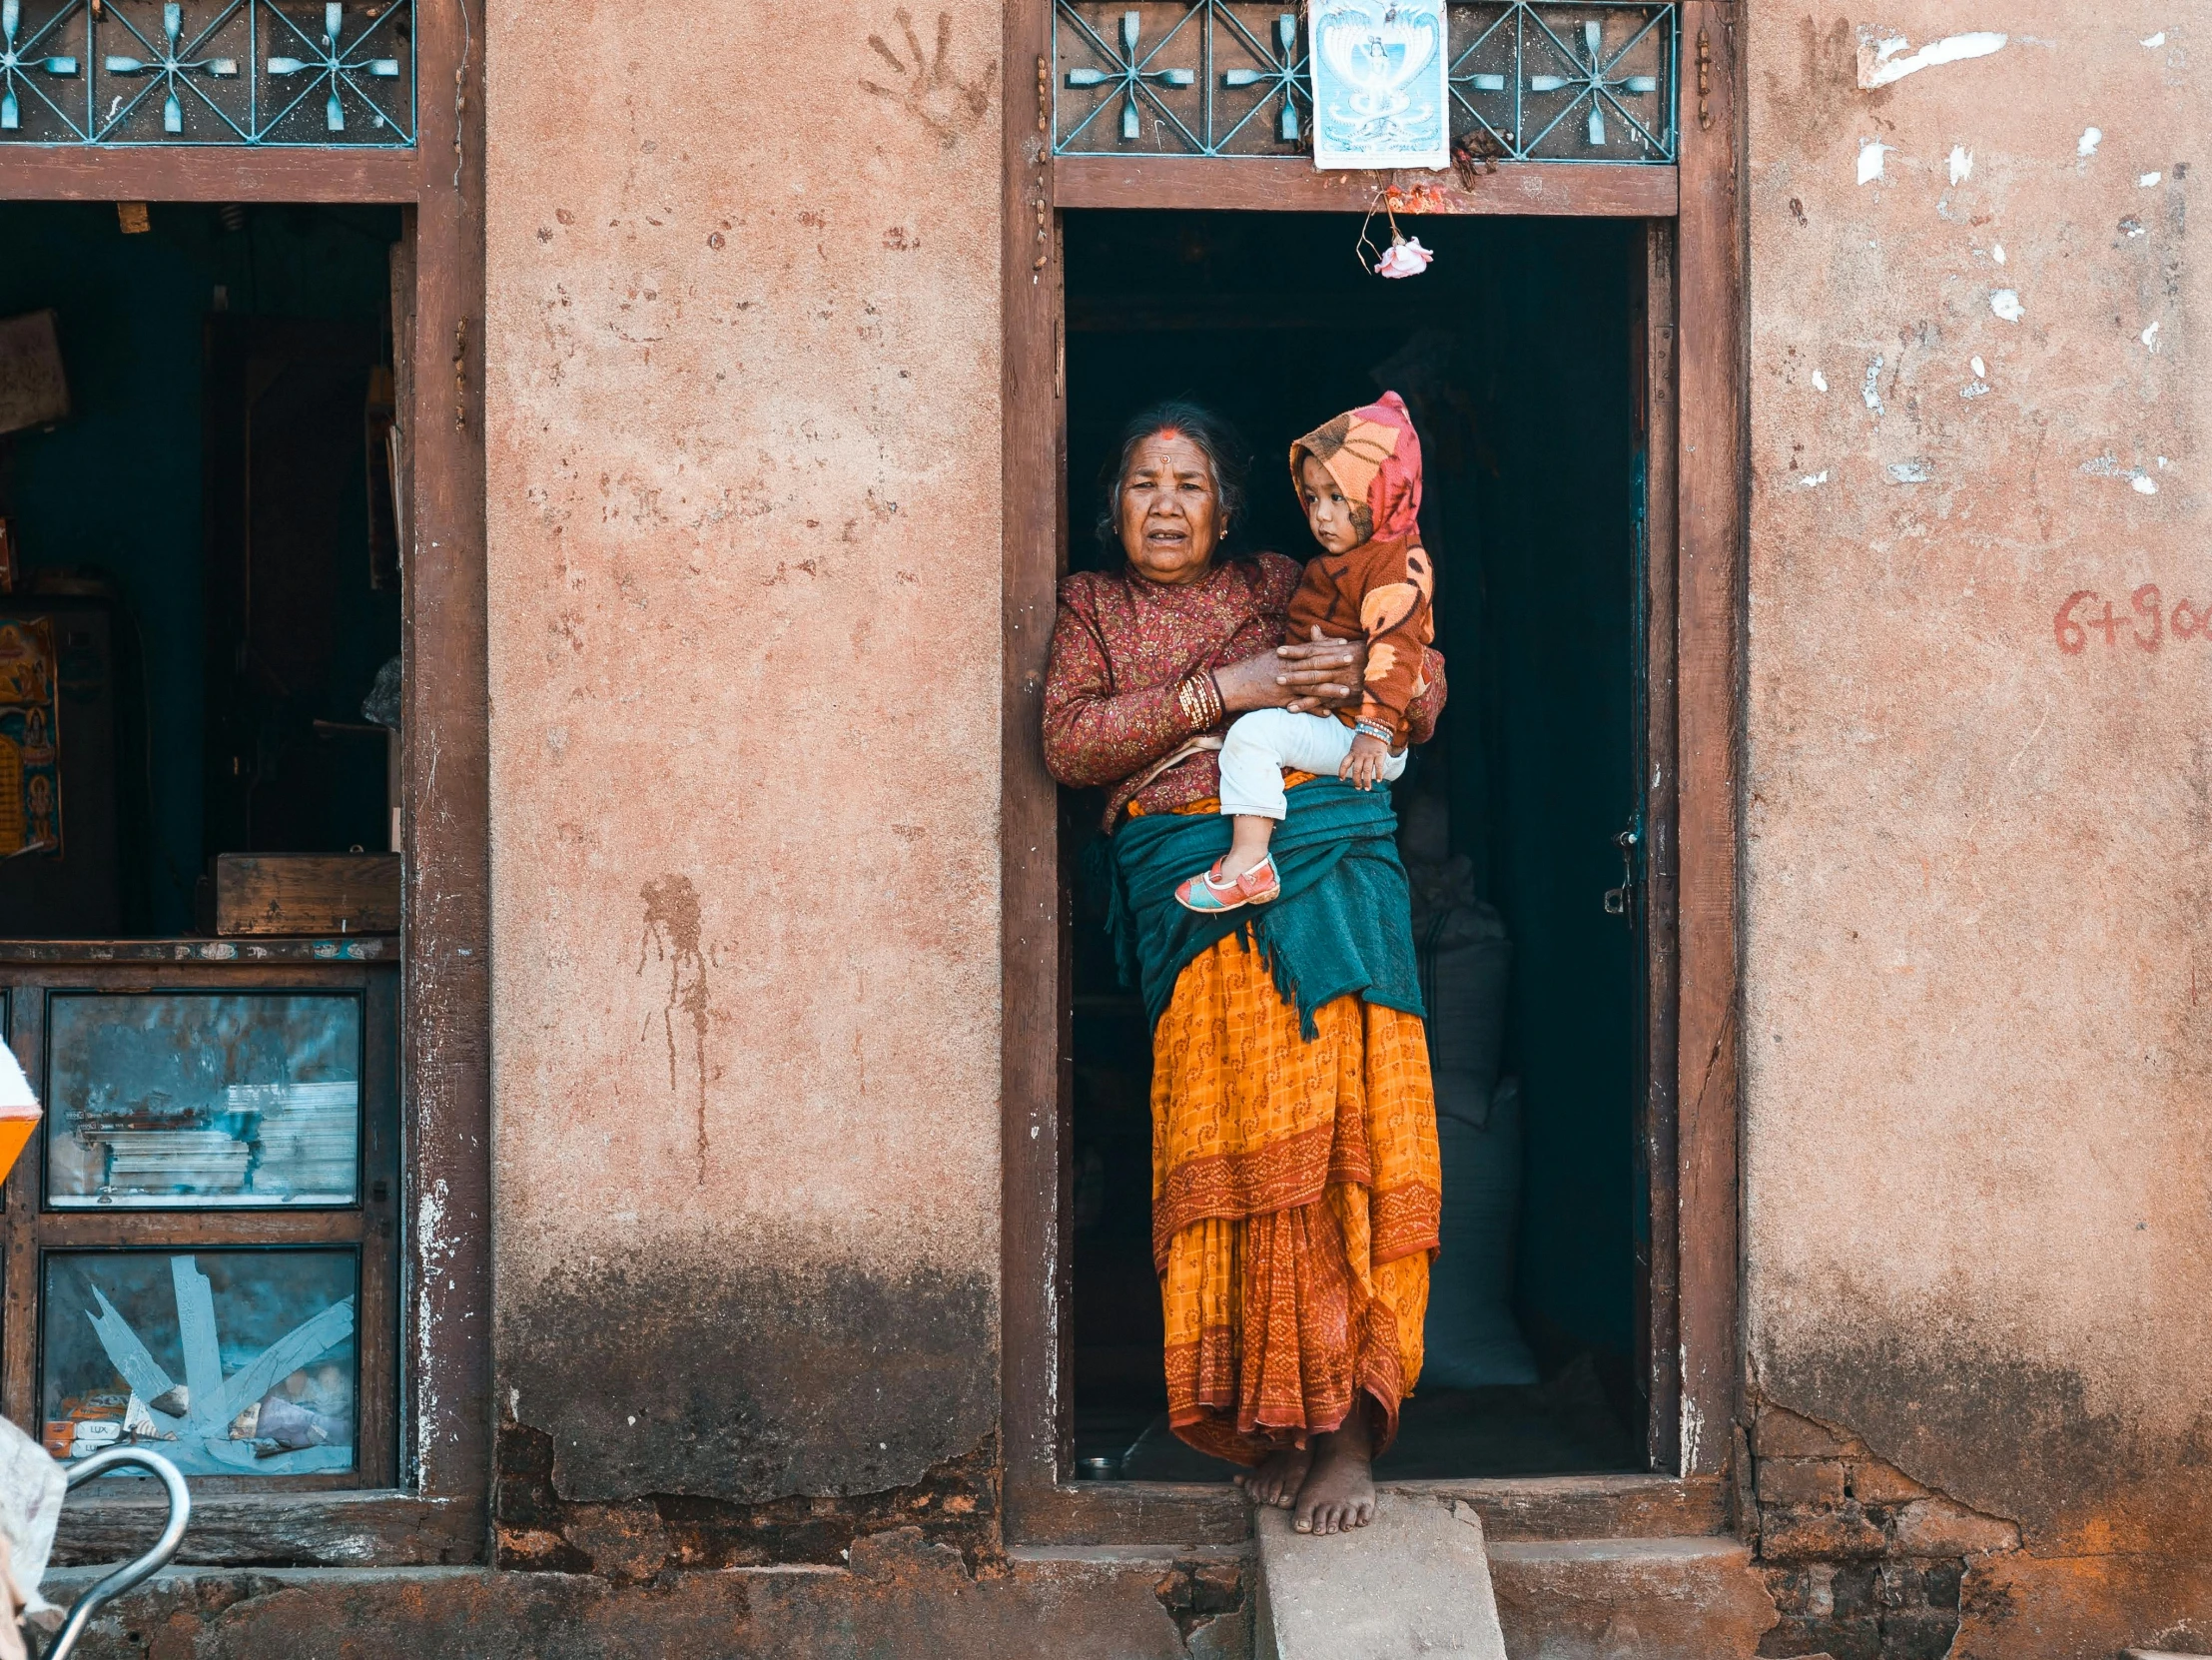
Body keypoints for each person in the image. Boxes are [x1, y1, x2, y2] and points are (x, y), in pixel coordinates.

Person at [1043, 401, 1444, 1537]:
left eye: (1189, 485)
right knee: (1242, 1156)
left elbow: (1414, 676)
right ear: (1110, 504)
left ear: (1226, 509)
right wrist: (1234, 690)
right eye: (1142, 484)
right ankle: (1276, 1421)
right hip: (1198, 902)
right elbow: (1070, 743)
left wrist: (1355, 685)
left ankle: (1347, 1438)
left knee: (1338, 1156)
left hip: (1329, 878)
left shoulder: (1285, 578)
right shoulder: (1090, 606)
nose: (1164, 506)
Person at [1173, 392, 1434, 913]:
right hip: (1350, 728)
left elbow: (1399, 650)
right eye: (1313, 498)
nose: (1322, 515)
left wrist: (1373, 733)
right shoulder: (1351, 557)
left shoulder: (1390, 567)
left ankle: (1247, 864)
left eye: (1340, 498)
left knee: (1252, 738)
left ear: (1385, 490)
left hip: (1365, 739)